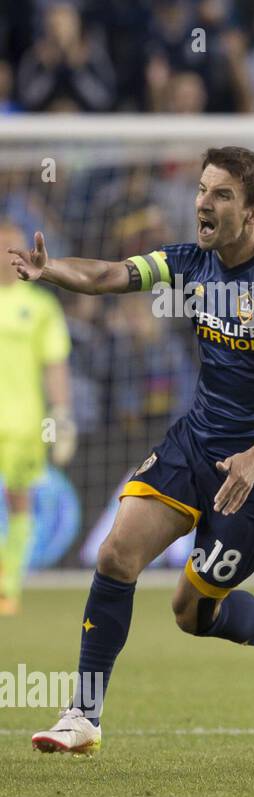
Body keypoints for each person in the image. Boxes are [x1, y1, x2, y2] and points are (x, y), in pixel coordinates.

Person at [12, 147, 254, 755]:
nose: (203, 203)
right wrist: (51, 272)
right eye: (202, 190)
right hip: (197, 443)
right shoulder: (191, 263)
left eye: (222, 195)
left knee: (192, 613)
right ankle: (83, 714)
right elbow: (108, 276)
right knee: (115, 555)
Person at [0, 222, 74, 615]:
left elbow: (55, 365)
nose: (9, 255)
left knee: (19, 502)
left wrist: (61, 416)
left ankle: (7, 586)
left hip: (24, 424)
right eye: (2, 247)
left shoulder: (41, 306)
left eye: (15, 248)